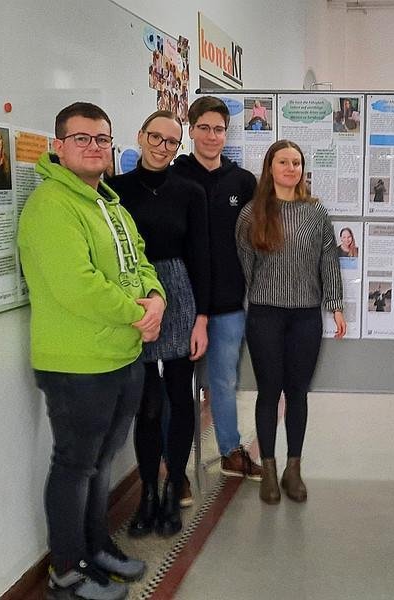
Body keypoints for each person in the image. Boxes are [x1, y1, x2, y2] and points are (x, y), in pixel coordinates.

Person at [17, 102, 167, 600]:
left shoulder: (110, 203)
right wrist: (137, 311)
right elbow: (76, 285)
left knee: (102, 464)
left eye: (102, 139)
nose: (95, 147)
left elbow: (141, 261)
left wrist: (157, 300)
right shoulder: (51, 207)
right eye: (82, 138)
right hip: (76, 365)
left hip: (123, 357)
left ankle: (96, 548)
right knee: (75, 465)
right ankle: (66, 572)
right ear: (58, 146)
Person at [108, 110, 209, 538]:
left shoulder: (190, 191)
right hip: (135, 296)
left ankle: (173, 488)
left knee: (180, 397)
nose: (163, 146)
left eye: (172, 141)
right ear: (141, 135)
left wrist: (201, 318)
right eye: (156, 137)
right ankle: (147, 493)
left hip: (180, 292)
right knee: (147, 404)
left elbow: (202, 258)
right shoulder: (114, 190)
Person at [236, 140, 346, 504]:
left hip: (305, 316)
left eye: (296, 162)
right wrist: (261, 297)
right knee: (269, 392)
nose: (290, 168)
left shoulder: (315, 212)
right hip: (266, 314)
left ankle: (293, 469)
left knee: (298, 393)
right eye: (283, 161)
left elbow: (328, 260)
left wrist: (336, 305)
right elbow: (245, 265)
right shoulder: (253, 213)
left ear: (303, 169)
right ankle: (268, 468)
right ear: (270, 167)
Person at [171, 96, 263, 481]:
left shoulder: (242, 182)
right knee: (175, 387)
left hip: (227, 301)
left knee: (224, 380)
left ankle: (229, 451)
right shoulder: (174, 176)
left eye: (219, 129)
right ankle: (174, 468)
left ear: (228, 133)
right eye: (204, 128)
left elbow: (259, 235)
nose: (212, 136)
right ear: (191, 130)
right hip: (179, 300)